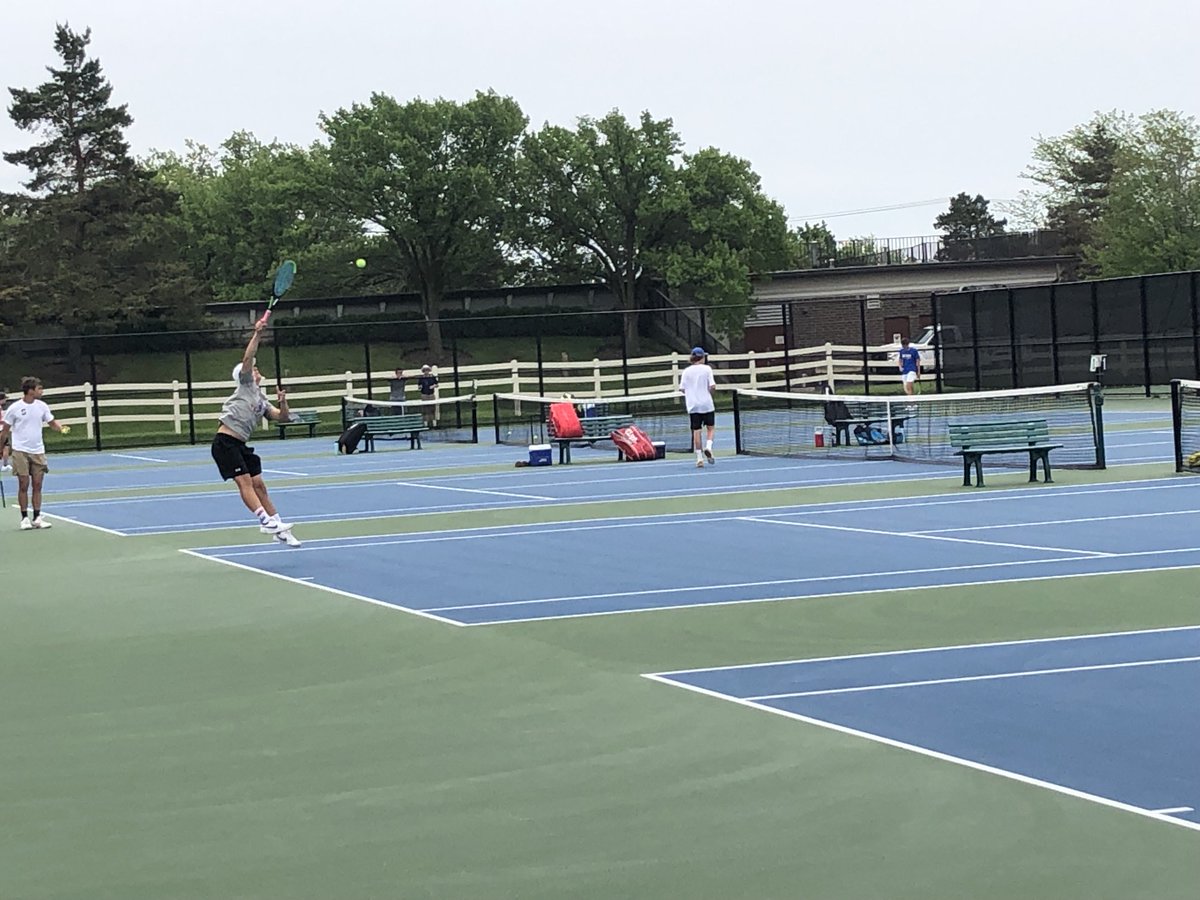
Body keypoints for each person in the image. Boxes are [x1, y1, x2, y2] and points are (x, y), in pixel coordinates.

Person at [210, 318, 300, 546]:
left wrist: (284, 401)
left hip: (240, 445)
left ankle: (279, 527)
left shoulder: (260, 399)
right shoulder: (245, 385)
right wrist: (258, 334)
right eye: (252, 369)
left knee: (259, 485)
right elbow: (248, 358)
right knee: (245, 482)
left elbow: (282, 417)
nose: (256, 369)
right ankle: (264, 520)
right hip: (225, 442)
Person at [0, 377, 69, 529]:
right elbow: (5, 431)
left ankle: (37, 517)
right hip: (20, 451)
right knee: (24, 484)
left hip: (38, 450)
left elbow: (51, 422)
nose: (41, 391)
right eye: (39, 389)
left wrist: (60, 428)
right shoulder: (14, 408)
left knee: (38, 485)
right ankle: (24, 518)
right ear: (30, 391)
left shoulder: (42, 406)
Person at [679, 346, 716, 468]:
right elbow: (712, 386)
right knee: (710, 428)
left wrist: (691, 394)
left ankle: (699, 458)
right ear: (702, 357)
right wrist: (709, 393)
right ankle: (709, 447)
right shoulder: (707, 369)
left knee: (696, 431)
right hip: (707, 404)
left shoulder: (686, 371)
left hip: (693, 405)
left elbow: (682, 389)